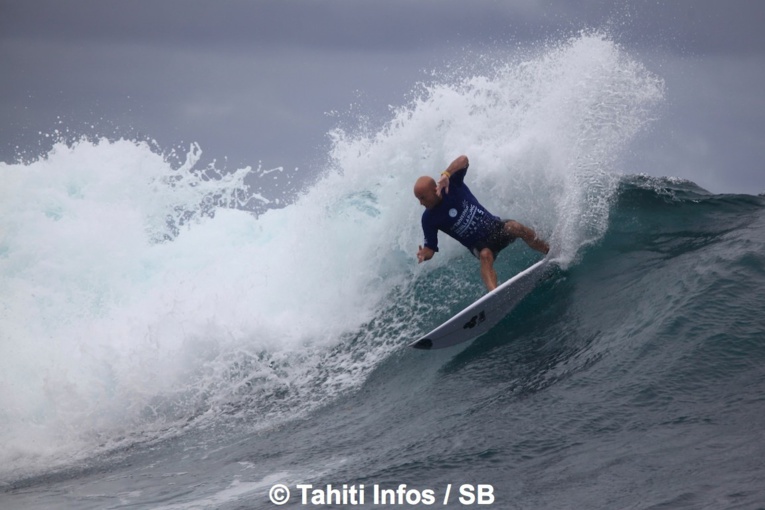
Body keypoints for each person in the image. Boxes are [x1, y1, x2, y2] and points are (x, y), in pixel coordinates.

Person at [414, 155, 549, 292]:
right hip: (478, 244)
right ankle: (494, 294)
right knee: (485, 255)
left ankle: (549, 252)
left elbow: (464, 160)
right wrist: (424, 255)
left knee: (515, 227)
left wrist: (446, 174)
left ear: (433, 190)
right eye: (418, 199)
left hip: (495, 227)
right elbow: (430, 248)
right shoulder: (428, 218)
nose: (421, 203)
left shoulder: (452, 185)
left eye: (422, 198)